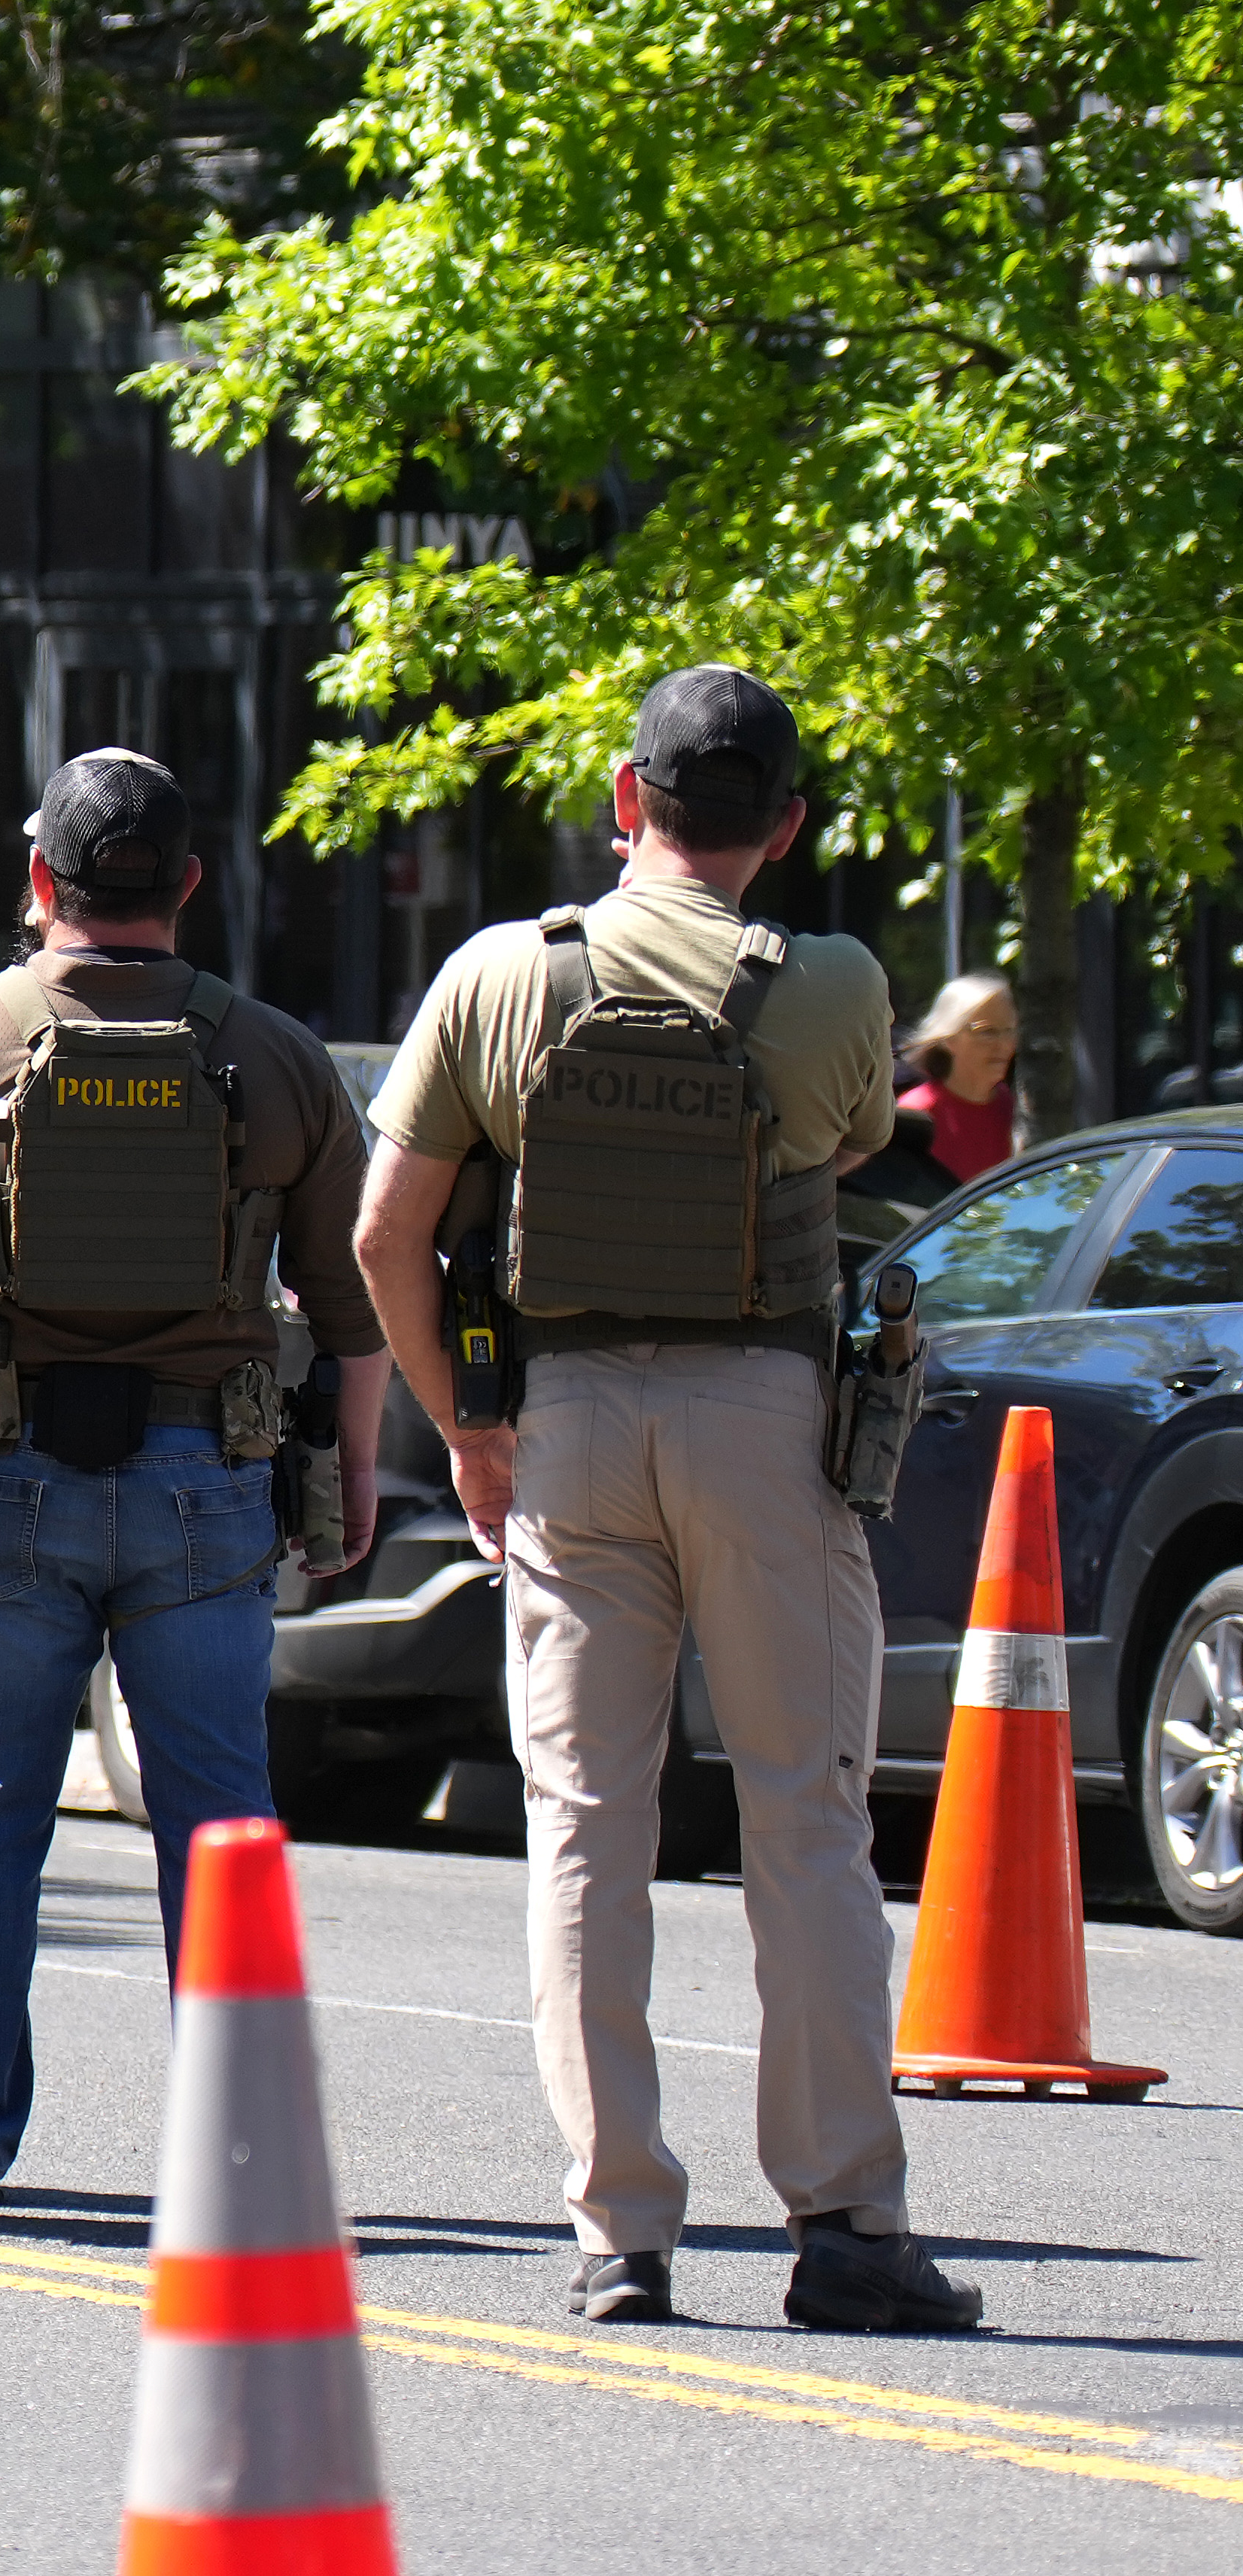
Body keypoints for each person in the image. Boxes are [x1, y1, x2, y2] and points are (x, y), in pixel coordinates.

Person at [351, 664, 983, 2334]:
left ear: (624, 801)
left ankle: (619, 2232)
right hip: (768, 1421)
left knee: (582, 1827)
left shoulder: (501, 973)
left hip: (563, 1428)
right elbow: (849, 1151)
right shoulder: (836, 980)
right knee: (804, 1816)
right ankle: (845, 2222)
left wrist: (466, 1425)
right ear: (783, 824)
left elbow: (381, 1234)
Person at [0, 749, 394, 2200]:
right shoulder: (274, 1058)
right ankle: (238, 2144)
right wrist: (353, 1471)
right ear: (189, 885)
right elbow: (349, 1299)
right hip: (209, 1478)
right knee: (216, 1822)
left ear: (36, 883)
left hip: (8, 1481)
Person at [898, 971, 1018, 1184]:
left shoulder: (1008, 1105)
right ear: (948, 1039)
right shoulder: (918, 1112)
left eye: (1009, 1031)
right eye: (987, 1032)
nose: (1004, 1045)